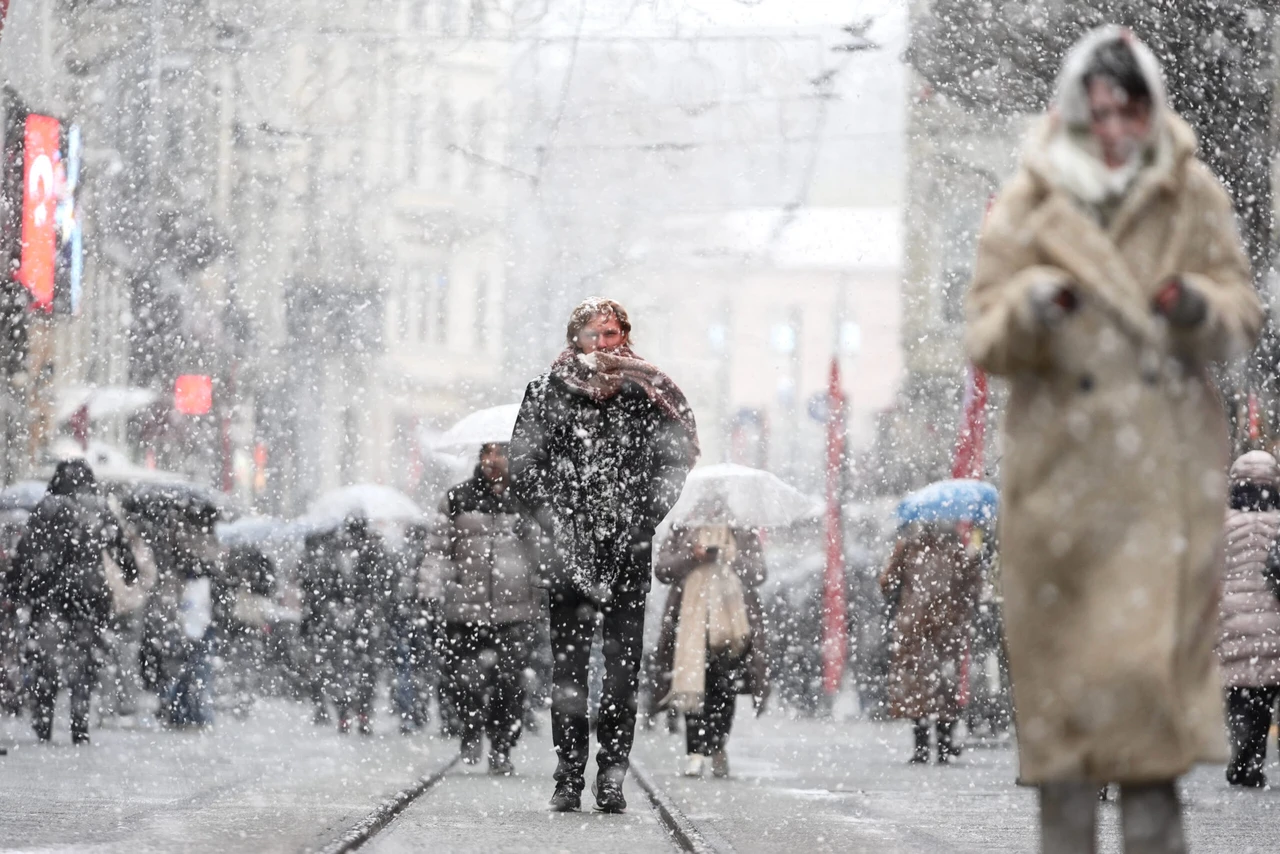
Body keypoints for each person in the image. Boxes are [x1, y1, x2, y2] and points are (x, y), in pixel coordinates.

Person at [966, 26, 1262, 854]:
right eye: (1096, 112)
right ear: (1072, 110)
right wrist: (1030, 304)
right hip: (1059, 490)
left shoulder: (1191, 193)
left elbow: (1242, 311)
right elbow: (985, 335)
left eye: (1127, 110)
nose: (1113, 129)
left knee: (1145, 745)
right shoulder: (1031, 200)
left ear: (1150, 109)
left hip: (1159, 487)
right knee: (1066, 747)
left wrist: (1195, 309)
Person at [511, 297, 698, 813]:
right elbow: (523, 465)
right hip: (567, 554)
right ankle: (568, 775)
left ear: (625, 337)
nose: (603, 343)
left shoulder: (646, 393)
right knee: (569, 673)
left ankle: (612, 774)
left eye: (612, 333)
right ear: (576, 337)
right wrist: (559, 517)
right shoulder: (546, 391)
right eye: (594, 333)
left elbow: (673, 462)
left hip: (626, 552)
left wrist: (641, 518)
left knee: (621, 671)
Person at [423, 442, 542, 774]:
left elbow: (544, 553)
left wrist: (530, 532)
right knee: (466, 678)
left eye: (500, 452)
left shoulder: (527, 500)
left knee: (510, 682)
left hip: (516, 608)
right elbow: (437, 550)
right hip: (465, 607)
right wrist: (432, 587)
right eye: (487, 452)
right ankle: (471, 728)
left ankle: (502, 745)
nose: (492, 460)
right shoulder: (457, 498)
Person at [12, 460, 138, 744]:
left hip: (49, 595)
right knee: (84, 660)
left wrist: (14, 585)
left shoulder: (46, 508)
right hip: (90, 595)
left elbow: (25, 551)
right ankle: (79, 724)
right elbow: (121, 548)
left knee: (45, 658)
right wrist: (129, 572)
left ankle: (44, 721)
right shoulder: (99, 509)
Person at [651, 521, 768, 779]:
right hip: (691, 622)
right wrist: (692, 555)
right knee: (693, 686)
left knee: (724, 689)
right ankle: (695, 751)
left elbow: (759, 573)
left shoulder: (742, 529)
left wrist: (731, 557)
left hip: (732, 624)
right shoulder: (683, 528)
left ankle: (717, 745)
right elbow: (663, 569)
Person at [878, 524, 980, 765]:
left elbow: (886, 583)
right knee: (944, 686)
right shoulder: (956, 549)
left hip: (914, 625)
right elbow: (972, 587)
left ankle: (921, 748)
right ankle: (944, 747)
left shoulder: (907, 546)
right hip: (946, 626)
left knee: (917, 688)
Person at [1219, 452, 1280, 788]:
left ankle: (1242, 755)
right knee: (1265, 696)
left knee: (1239, 695)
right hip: (1274, 622)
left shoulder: (1222, 523)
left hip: (1233, 622)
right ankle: (1253, 757)